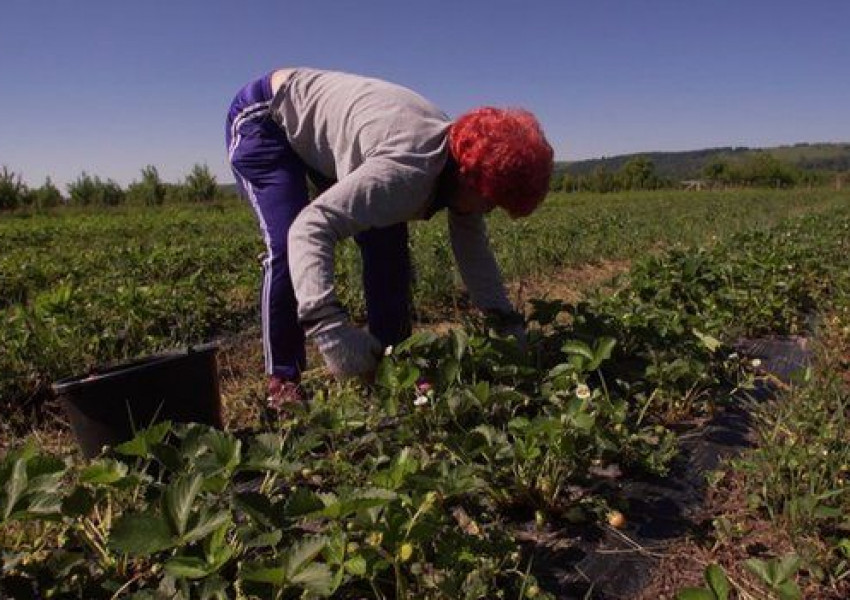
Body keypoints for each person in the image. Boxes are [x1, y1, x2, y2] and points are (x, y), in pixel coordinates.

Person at [226, 67, 553, 409]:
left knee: (389, 255)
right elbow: (309, 229)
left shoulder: (460, 168)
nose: (489, 210)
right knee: (285, 244)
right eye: (491, 201)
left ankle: (390, 368)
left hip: (338, 134)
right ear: (469, 178)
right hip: (267, 115)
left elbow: (474, 253)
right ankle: (283, 381)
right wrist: (329, 329)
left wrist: (506, 322)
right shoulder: (407, 171)